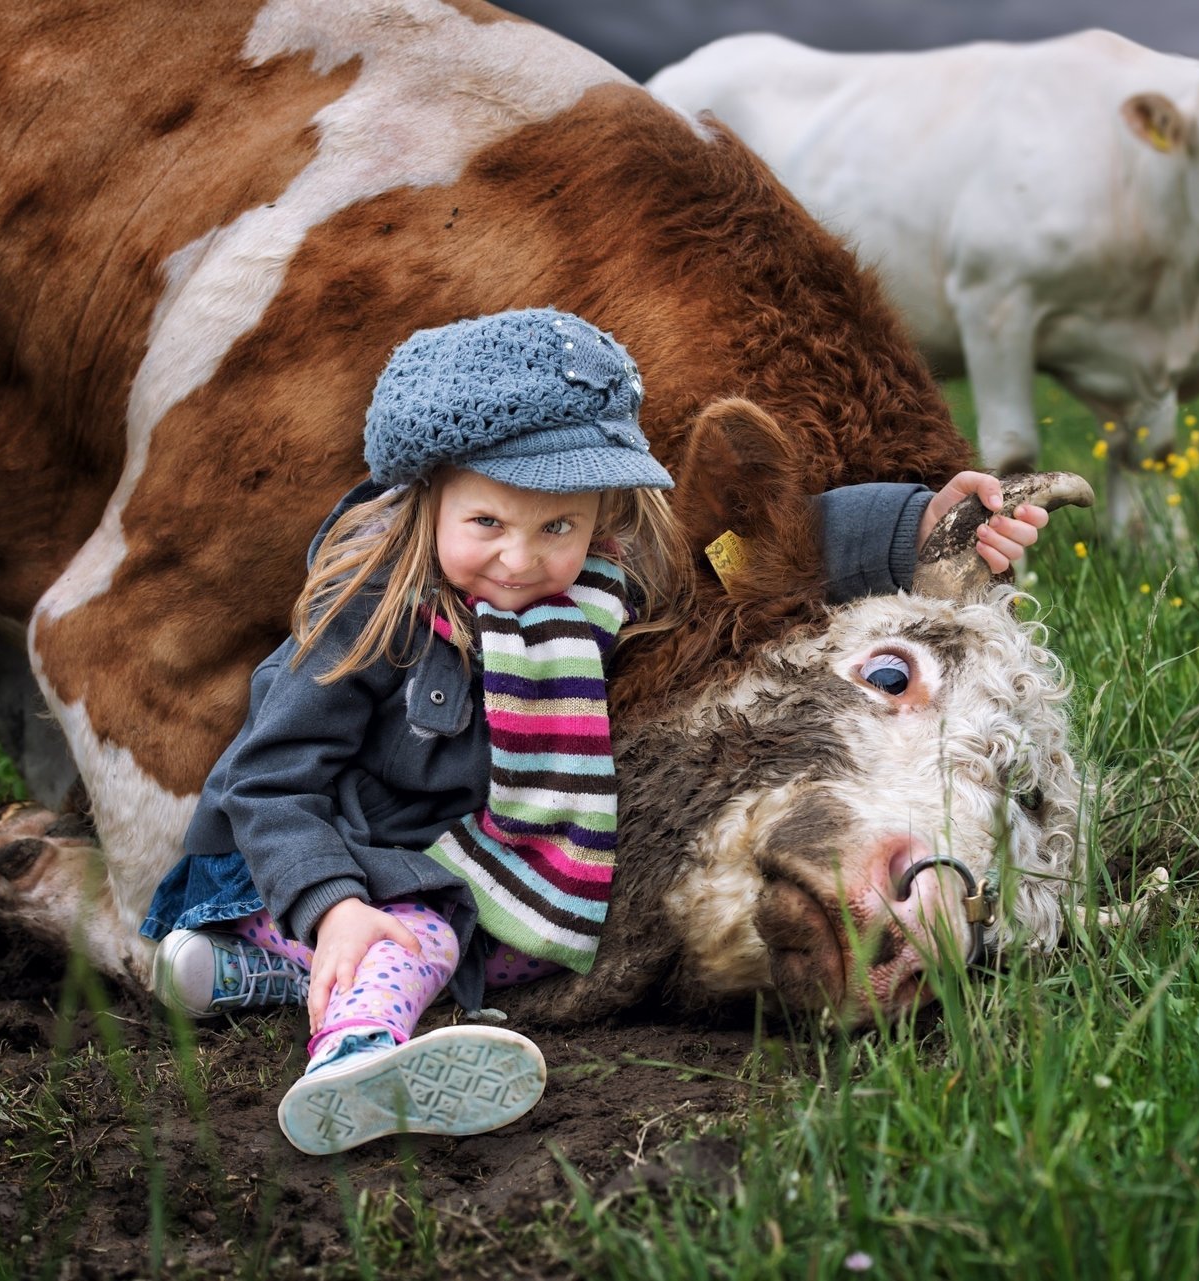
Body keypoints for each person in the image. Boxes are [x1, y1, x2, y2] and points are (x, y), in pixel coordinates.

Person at [139, 307, 1049, 1154]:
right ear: (425, 501)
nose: (523, 559)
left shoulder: (591, 585)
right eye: (487, 521)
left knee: (516, 948)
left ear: (602, 519)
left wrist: (913, 523)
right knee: (422, 939)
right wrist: (336, 905)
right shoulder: (366, 617)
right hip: (318, 857)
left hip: (442, 856)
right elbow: (268, 786)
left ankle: (244, 975)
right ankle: (355, 1061)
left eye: (559, 524)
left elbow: (760, 542)